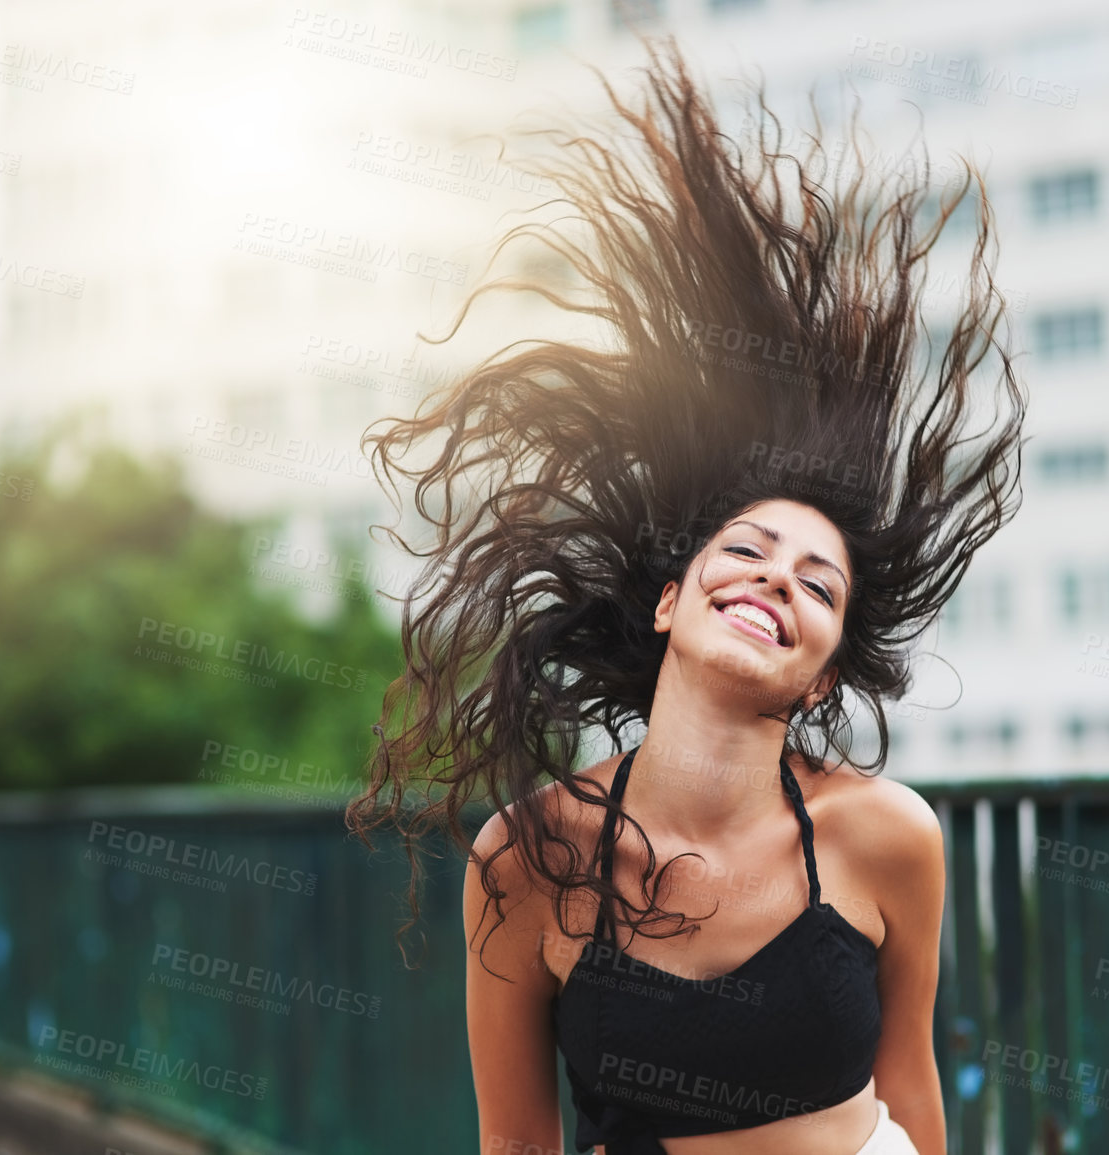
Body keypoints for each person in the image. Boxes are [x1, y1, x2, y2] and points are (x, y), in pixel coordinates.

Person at [346, 35, 1027, 1155]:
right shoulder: (526, 858)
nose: (777, 578)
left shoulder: (890, 837)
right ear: (671, 601)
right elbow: (516, 1145)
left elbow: (914, 1100)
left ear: (821, 677)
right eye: (748, 550)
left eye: (820, 584)